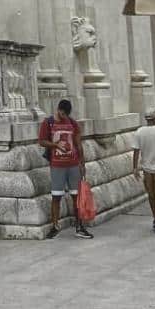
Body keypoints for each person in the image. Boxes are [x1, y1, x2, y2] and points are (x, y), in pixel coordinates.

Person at [38, 99, 93, 240]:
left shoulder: (73, 123)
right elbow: (42, 141)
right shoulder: (48, 123)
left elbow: (78, 144)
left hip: (73, 165)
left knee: (76, 196)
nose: (64, 117)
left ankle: (79, 226)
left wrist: (82, 164)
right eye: (62, 114)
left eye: (66, 115)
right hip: (57, 166)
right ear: (58, 110)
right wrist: (55, 146)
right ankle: (55, 226)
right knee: (56, 196)